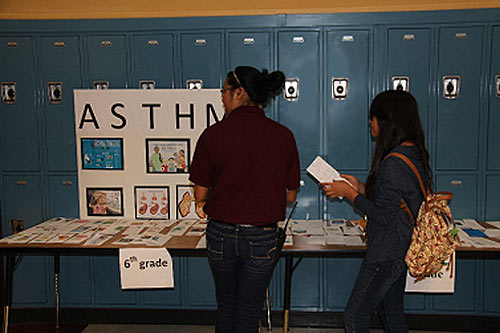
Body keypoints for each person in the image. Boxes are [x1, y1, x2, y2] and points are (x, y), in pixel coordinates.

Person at [189, 66, 300, 333]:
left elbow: (200, 194)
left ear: (239, 93)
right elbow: (291, 196)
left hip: (221, 234)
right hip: (263, 236)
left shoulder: (213, 135)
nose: (222, 98)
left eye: (224, 91)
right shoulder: (283, 136)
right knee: (250, 308)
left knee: (226, 304)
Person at [321, 90, 432, 332]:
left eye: (373, 117)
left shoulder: (393, 162)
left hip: (385, 254)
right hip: (398, 250)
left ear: (387, 121)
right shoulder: (413, 152)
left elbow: (382, 215)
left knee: (355, 317)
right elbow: (393, 200)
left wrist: (350, 195)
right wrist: (359, 187)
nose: (370, 123)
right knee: (390, 314)